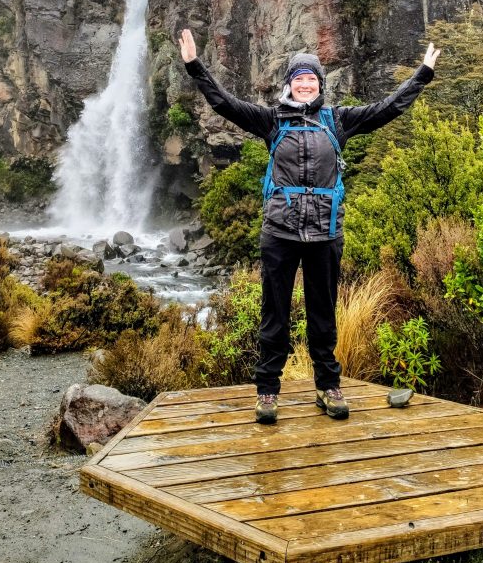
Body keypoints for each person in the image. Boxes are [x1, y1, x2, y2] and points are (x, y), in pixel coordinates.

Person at [178, 28, 440, 424]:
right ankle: (267, 392)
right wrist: (195, 67)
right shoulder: (271, 121)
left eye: (311, 79)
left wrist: (422, 74)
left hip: (325, 234)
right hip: (280, 233)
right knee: (274, 315)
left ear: (320, 86)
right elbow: (225, 105)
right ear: (289, 85)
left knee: (323, 313)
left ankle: (327, 386)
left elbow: (388, 109)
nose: (305, 84)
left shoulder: (338, 121)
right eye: (299, 79)